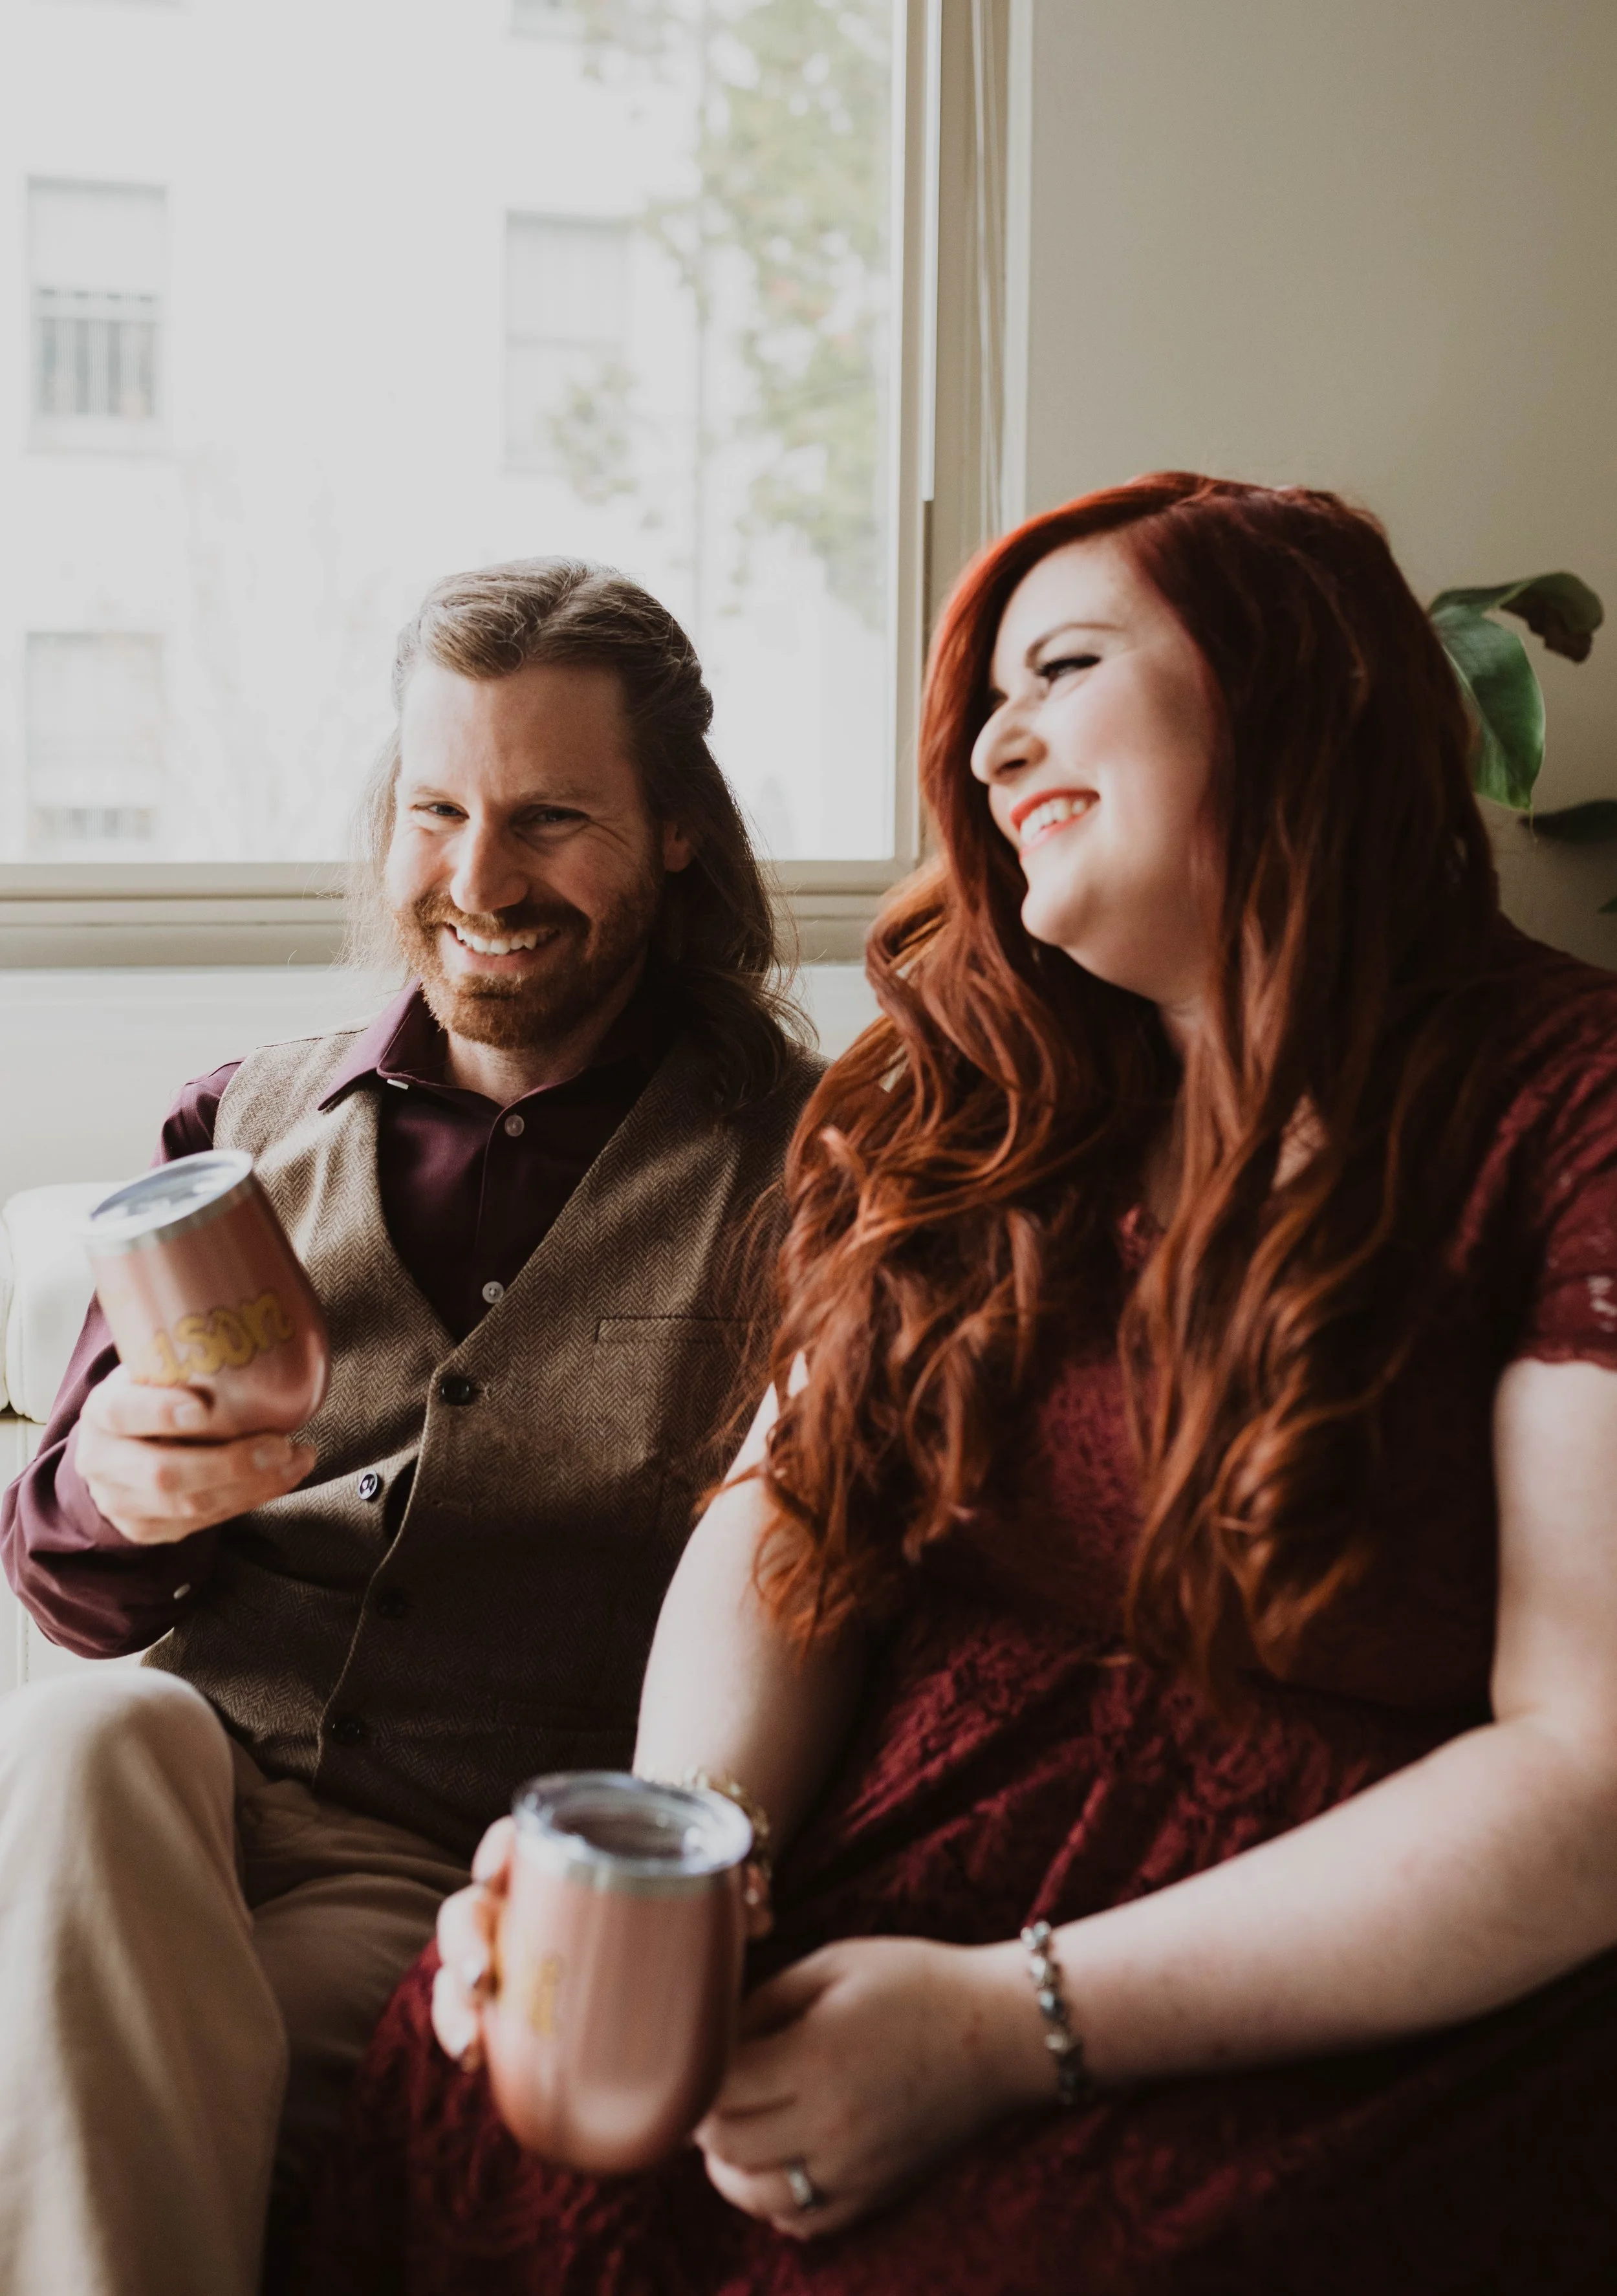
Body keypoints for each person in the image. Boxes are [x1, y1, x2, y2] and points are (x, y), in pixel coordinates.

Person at [314, 476, 1617, 2296]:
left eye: (1062, 667)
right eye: (982, 704)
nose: (998, 740)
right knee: (477, 2108)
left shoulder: (1566, 1109)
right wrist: (678, 1859)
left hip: (1327, 1981)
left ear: (1296, 687)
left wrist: (1011, 2026)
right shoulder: (975, 1093)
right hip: (897, 1857)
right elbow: (788, 1511)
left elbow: (1589, 1771)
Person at [0, 558, 820, 2296]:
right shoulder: (242, 1120)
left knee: (147, 2065)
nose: (476, 879)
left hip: (443, 1859)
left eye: (547, 817)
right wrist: (115, 1492)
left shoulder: (807, 1169)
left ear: (674, 827)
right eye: (436, 808)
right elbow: (65, 1596)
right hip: (175, 1792)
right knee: (79, 1737)